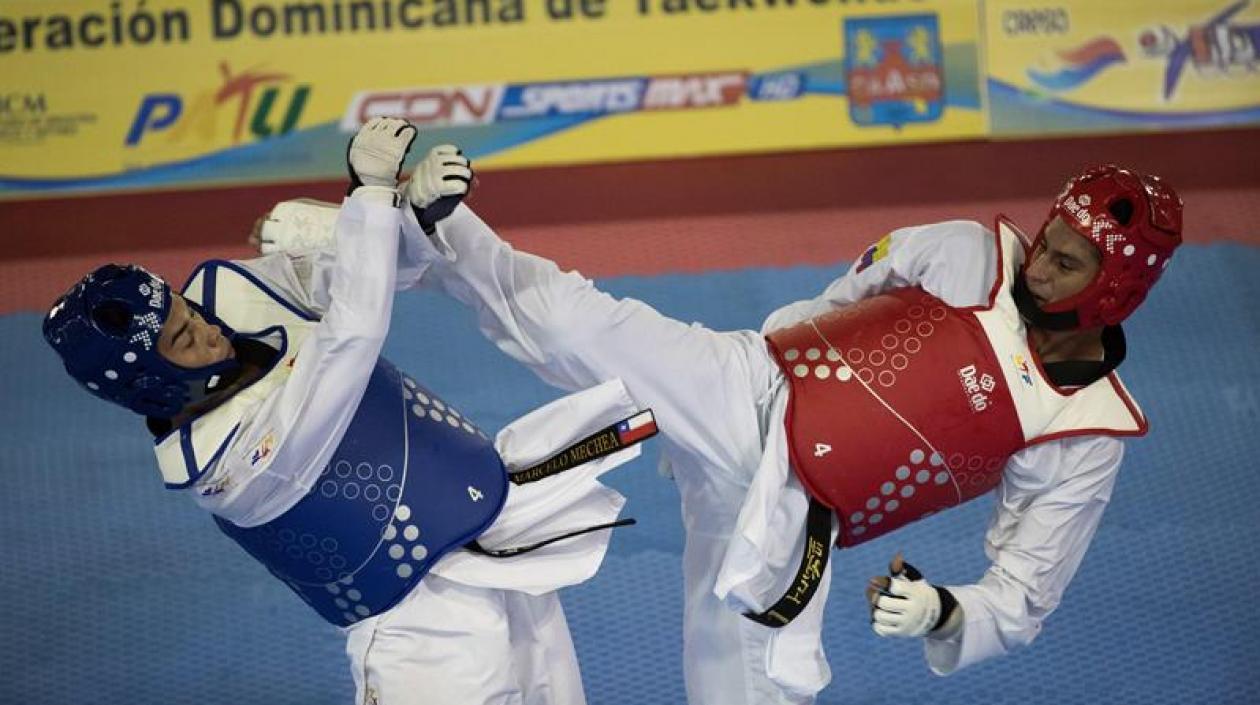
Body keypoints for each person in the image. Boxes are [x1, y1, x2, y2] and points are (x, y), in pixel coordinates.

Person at [358, 157, 1182, 704]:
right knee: (584, 328)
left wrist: (941, 610)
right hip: (753, 384)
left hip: (798, 519)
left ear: (1117, 292)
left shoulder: (1084, 431)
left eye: (1069, 264)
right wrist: (779, 354)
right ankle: (433, 229)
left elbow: (1025, 597)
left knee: (749, 690)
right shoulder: (968, 254)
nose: (1038, 265)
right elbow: (848, 292)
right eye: (1047, 242)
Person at [42, 117, 658, 705]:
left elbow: (356, 273)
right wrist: (368, 197)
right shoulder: (231, 468)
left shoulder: (225, 295)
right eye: (182, 339)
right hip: (417, 626)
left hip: (494, 532)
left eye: (185, 310)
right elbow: (350, 338)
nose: (206, 328)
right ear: (151, 384)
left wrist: (411, 218)